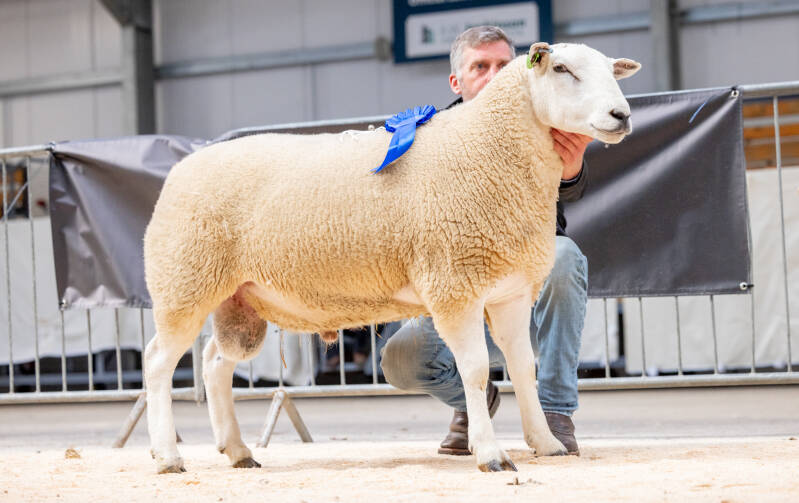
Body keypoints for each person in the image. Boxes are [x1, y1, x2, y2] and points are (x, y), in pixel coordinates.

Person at [380, 26, 591, 456]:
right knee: (400, 359)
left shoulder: (543, 120)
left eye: (503, 65)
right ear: (457, 82)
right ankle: (473, 403)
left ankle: (553, 413)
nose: (494, 76)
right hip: (456, 290)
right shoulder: (430, 136)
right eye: (480, 67)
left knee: (565, 257)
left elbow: (568, 192)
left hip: (520, 298)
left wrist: (570, 167)